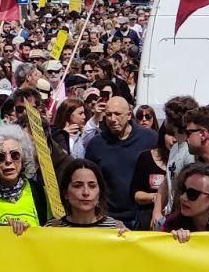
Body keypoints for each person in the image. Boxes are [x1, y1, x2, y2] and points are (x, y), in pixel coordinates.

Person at [85, 96, 157, 228]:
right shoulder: (96, 144)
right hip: (108, 219)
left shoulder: (150, 139)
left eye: (117, 114)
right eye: (108, 115)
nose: (113, 119)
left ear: (129, 115)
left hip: (142, 217)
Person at [0, 127, 48, 227]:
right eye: (0, 157)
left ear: (23, 160)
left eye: (15, 155)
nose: (8, 161)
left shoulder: (40, 192)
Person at [48, 159, 125, 229]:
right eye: (78, 186)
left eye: (92, 186)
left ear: (100, 192)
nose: (86, 192)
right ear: (65, 193)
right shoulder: (52, 229)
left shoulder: (116, 229)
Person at [130, 121, 173, 230]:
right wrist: (157, 198)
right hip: (148, 220)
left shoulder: (190, 159)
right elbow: (136, 194)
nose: (174, 139)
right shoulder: (145, 157)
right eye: (170, 134)